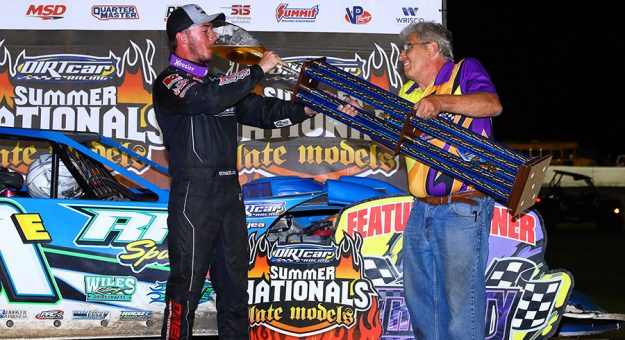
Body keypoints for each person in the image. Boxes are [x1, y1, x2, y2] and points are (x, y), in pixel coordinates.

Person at [152, 4, 316, 340]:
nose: (213, 37)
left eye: (213, 30)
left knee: (235, 292)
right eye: (205, 31)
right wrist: (257, 69)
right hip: (193, 197)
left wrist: (309, 108)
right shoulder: (170, 81)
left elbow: (265, 113)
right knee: (185, 291)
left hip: (229, 195)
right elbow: (205, 100)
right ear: (182, 37)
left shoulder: (220, 83)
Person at [339, 21, 502, 339]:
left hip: (463, 206)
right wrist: (361, 120)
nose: (401, 56)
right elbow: (392, 144)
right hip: (421, 209)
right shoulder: (407, 93)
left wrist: (441, 103)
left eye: (407, 47)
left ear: (432, 48)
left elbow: (491, 105)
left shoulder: (463, 71)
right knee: (421, 299)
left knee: (461, 300)